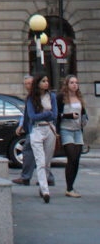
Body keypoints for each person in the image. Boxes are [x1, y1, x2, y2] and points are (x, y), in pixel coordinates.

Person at [12, 74, 55, 187]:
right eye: (26, 84)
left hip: (38, 129)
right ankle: (46, 177)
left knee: (32, 152)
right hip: (32, 128)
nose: (28, 86)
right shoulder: (31, 97)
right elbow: (27, 113)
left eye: (30, 83)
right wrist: (21, 125)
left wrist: (46, 116)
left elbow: (50, 114)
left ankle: (28, 177)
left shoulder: (43, 97)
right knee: (36, 154)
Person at [26, 73, 58, 202]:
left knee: (47, 161)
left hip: (50, 129)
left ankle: (43, 185)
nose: (46, 83)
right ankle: (45, 190)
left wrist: (45, 114)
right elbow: (32, 116)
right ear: (38, 83)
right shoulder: (31, 98)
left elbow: (54, 115)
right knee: (40, 161)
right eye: (43, 81)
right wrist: (46, 114)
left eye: (47, 81)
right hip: (37, 129)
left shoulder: (52, 97)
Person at [57, 74, 87, 197]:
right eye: (72, 83)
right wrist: (69, 116)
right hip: (66, 129)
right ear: (67, 84)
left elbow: (83, 113)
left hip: (78, 130)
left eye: (76, 83)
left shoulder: (79, 98)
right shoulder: (61, 97)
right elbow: (57, 114)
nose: (75, 85)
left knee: (77, 160)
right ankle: (69, 188)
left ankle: (71, 187)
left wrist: (84, 119)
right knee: (72, 157)